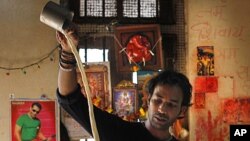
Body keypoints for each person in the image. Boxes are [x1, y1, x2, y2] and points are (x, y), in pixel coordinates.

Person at [56, 25, 192, 141]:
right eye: (158, 100)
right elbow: (70, 99)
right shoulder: (118, 133)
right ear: (148, 99)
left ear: (182, 110)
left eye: (171, 105)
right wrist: (68, 53)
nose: (162, 109)